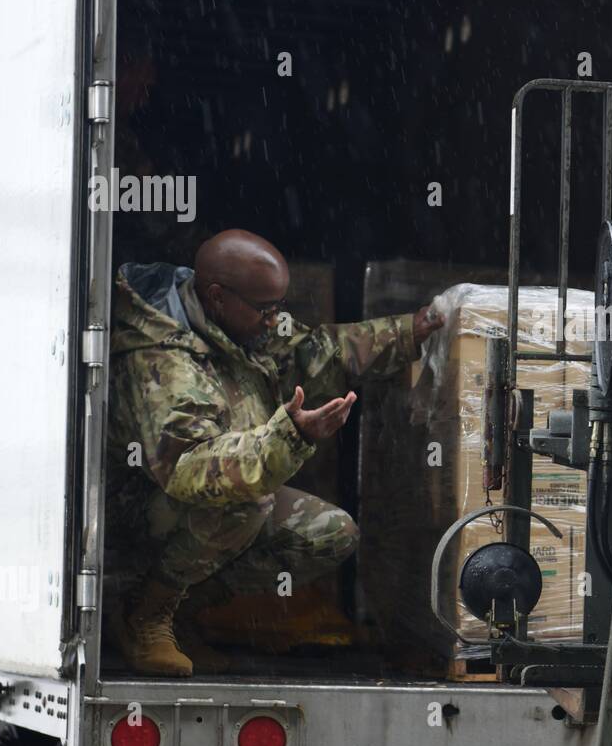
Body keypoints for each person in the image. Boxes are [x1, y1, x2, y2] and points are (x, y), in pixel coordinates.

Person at [105, 229, 444, 677]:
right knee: (246, 498)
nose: (275, 319)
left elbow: (314, 353)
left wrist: (408, 334)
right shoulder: (166, 365)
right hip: (137, 514)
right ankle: (144, 613)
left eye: (278, 306)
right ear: (218, 296)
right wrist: (289, 436)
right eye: (265, 309)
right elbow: (193, 469)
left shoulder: (233, 323)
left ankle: (180, 612)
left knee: (329, 532)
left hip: (197, 502)